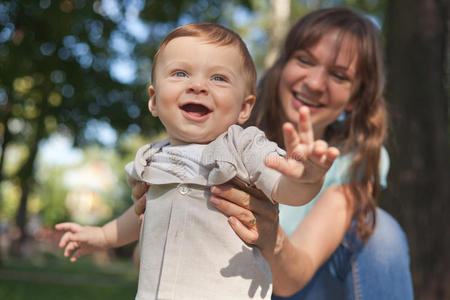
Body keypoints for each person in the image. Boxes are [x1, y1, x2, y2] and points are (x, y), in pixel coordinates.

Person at [131, 7, 415, 300]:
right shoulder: (222, 128)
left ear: (356, 97)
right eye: (304, 60)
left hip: (293, 287)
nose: (315, 83)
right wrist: (154, 214)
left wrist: (271, 233)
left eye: (339, 76)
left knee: (381, 232)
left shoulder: (356, 157)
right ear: (283, 64)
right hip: (210, 285)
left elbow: (293, 278)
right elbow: (144, 262)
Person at [55, 23, 339, 300]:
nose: (198, 86)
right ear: (153, 100)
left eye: (218, 78)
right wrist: (103, 236)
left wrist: (306, 178)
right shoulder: (152, 157)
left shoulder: (244, 146)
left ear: (244, 107)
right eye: (180, 73)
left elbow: (283, 187)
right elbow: (141, 213)